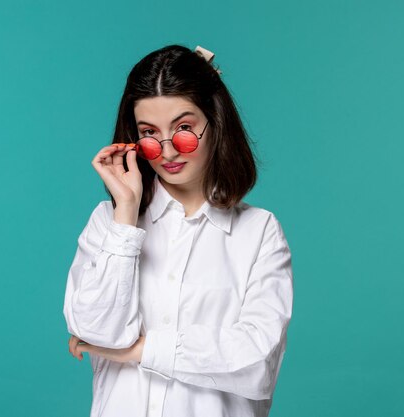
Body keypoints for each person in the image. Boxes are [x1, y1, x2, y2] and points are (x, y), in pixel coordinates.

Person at [63, 44, 293, 417]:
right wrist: (125, 213)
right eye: (150, 134)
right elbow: (96, 330)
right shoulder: (108, 223)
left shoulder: (260, 232)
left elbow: (255, 364)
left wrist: (139, 351)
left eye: (184, 129)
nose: (168, 151)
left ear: (214, 123)